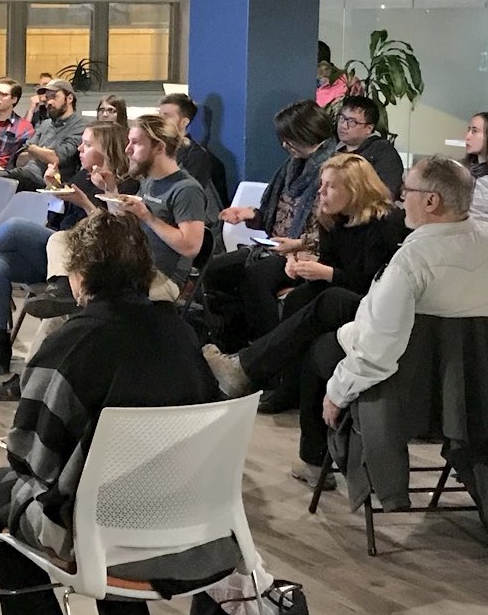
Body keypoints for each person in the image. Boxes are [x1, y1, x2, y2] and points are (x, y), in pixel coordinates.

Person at [0, 211, 229, 615]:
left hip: (102, 533)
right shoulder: (182, 335)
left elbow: (31, 457)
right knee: (105, 487)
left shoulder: (69, 344)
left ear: (81, 275)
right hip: (190, 519)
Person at [206, 158, 488, 487]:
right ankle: (249, 369)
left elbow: (380, 345)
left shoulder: (412, 258)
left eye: (406, 190)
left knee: (320, 348)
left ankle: (308, 453)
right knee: (320, 304)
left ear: (431, 201)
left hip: (411, 383)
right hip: (476, 385)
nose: (400, 198)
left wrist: (339, 391)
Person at [0, 122, 135, 389]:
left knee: (16, 227)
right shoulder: (81, 177)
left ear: (106, 149)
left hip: (86, 260)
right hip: (59, 251)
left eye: (87, 144)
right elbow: (57, 219)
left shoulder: (125, 184)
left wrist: (86, 203)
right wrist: (53, 189)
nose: (79, 148)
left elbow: (110, 234)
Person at [227, 153, 409, 420]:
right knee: (299, 297)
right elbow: (330, 265)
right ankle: (284, 385)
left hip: (376, 301)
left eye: (330, 186)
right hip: (346, 290)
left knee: (330, 297)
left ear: (355, 190)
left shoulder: (386, 222)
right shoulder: (332, 219)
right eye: (322, 184)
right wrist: (301, 268)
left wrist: (326, 273)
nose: (321, 192)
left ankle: (246, 366)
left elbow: (374, 281)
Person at [202, 100, 337, 352]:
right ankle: (232, 343)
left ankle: (266, 348)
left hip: (308, 252)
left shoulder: (335, 171)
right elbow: (274, 215)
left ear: (306, 133)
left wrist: (298, 244)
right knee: (215, 270)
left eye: (289, 138)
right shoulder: (291, 167)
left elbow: (335, 229)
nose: (284, 145)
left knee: (255, 277)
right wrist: (249, 214)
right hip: (276, 246)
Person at [106, 114, 213, 289]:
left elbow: (190, 247)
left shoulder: (186, 189)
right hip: (134, 265)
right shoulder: (149, 180)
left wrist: (148, 217)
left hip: (162, 277)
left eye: (136, 143)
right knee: (64, 244)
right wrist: (110, 190)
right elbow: (123, 224)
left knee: (94, 285)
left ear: (159, 148)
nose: (127, 149)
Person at [9, 78, 89, 191]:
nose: (49, 102)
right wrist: (43, 153)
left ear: (69, 98)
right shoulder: (45, 124)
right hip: (25, 174)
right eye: (47, 98)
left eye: (54, 97)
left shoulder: (80, 125)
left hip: (49, 181)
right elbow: (20, 160)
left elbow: (56, 158)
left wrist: (32, 149)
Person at [158, 92, 223, 210]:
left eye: (167, 116)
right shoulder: (156, 148)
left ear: (184, 123)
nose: (159, 120)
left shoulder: (196, 155)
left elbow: (186, 196)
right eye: (159, 114)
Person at [332, 94, 405, 198]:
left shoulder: (383, 153)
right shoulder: (333, 150)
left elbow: (386, 195)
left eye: (352, 122)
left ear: (369, 129)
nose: (343, 125)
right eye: (342, 118)